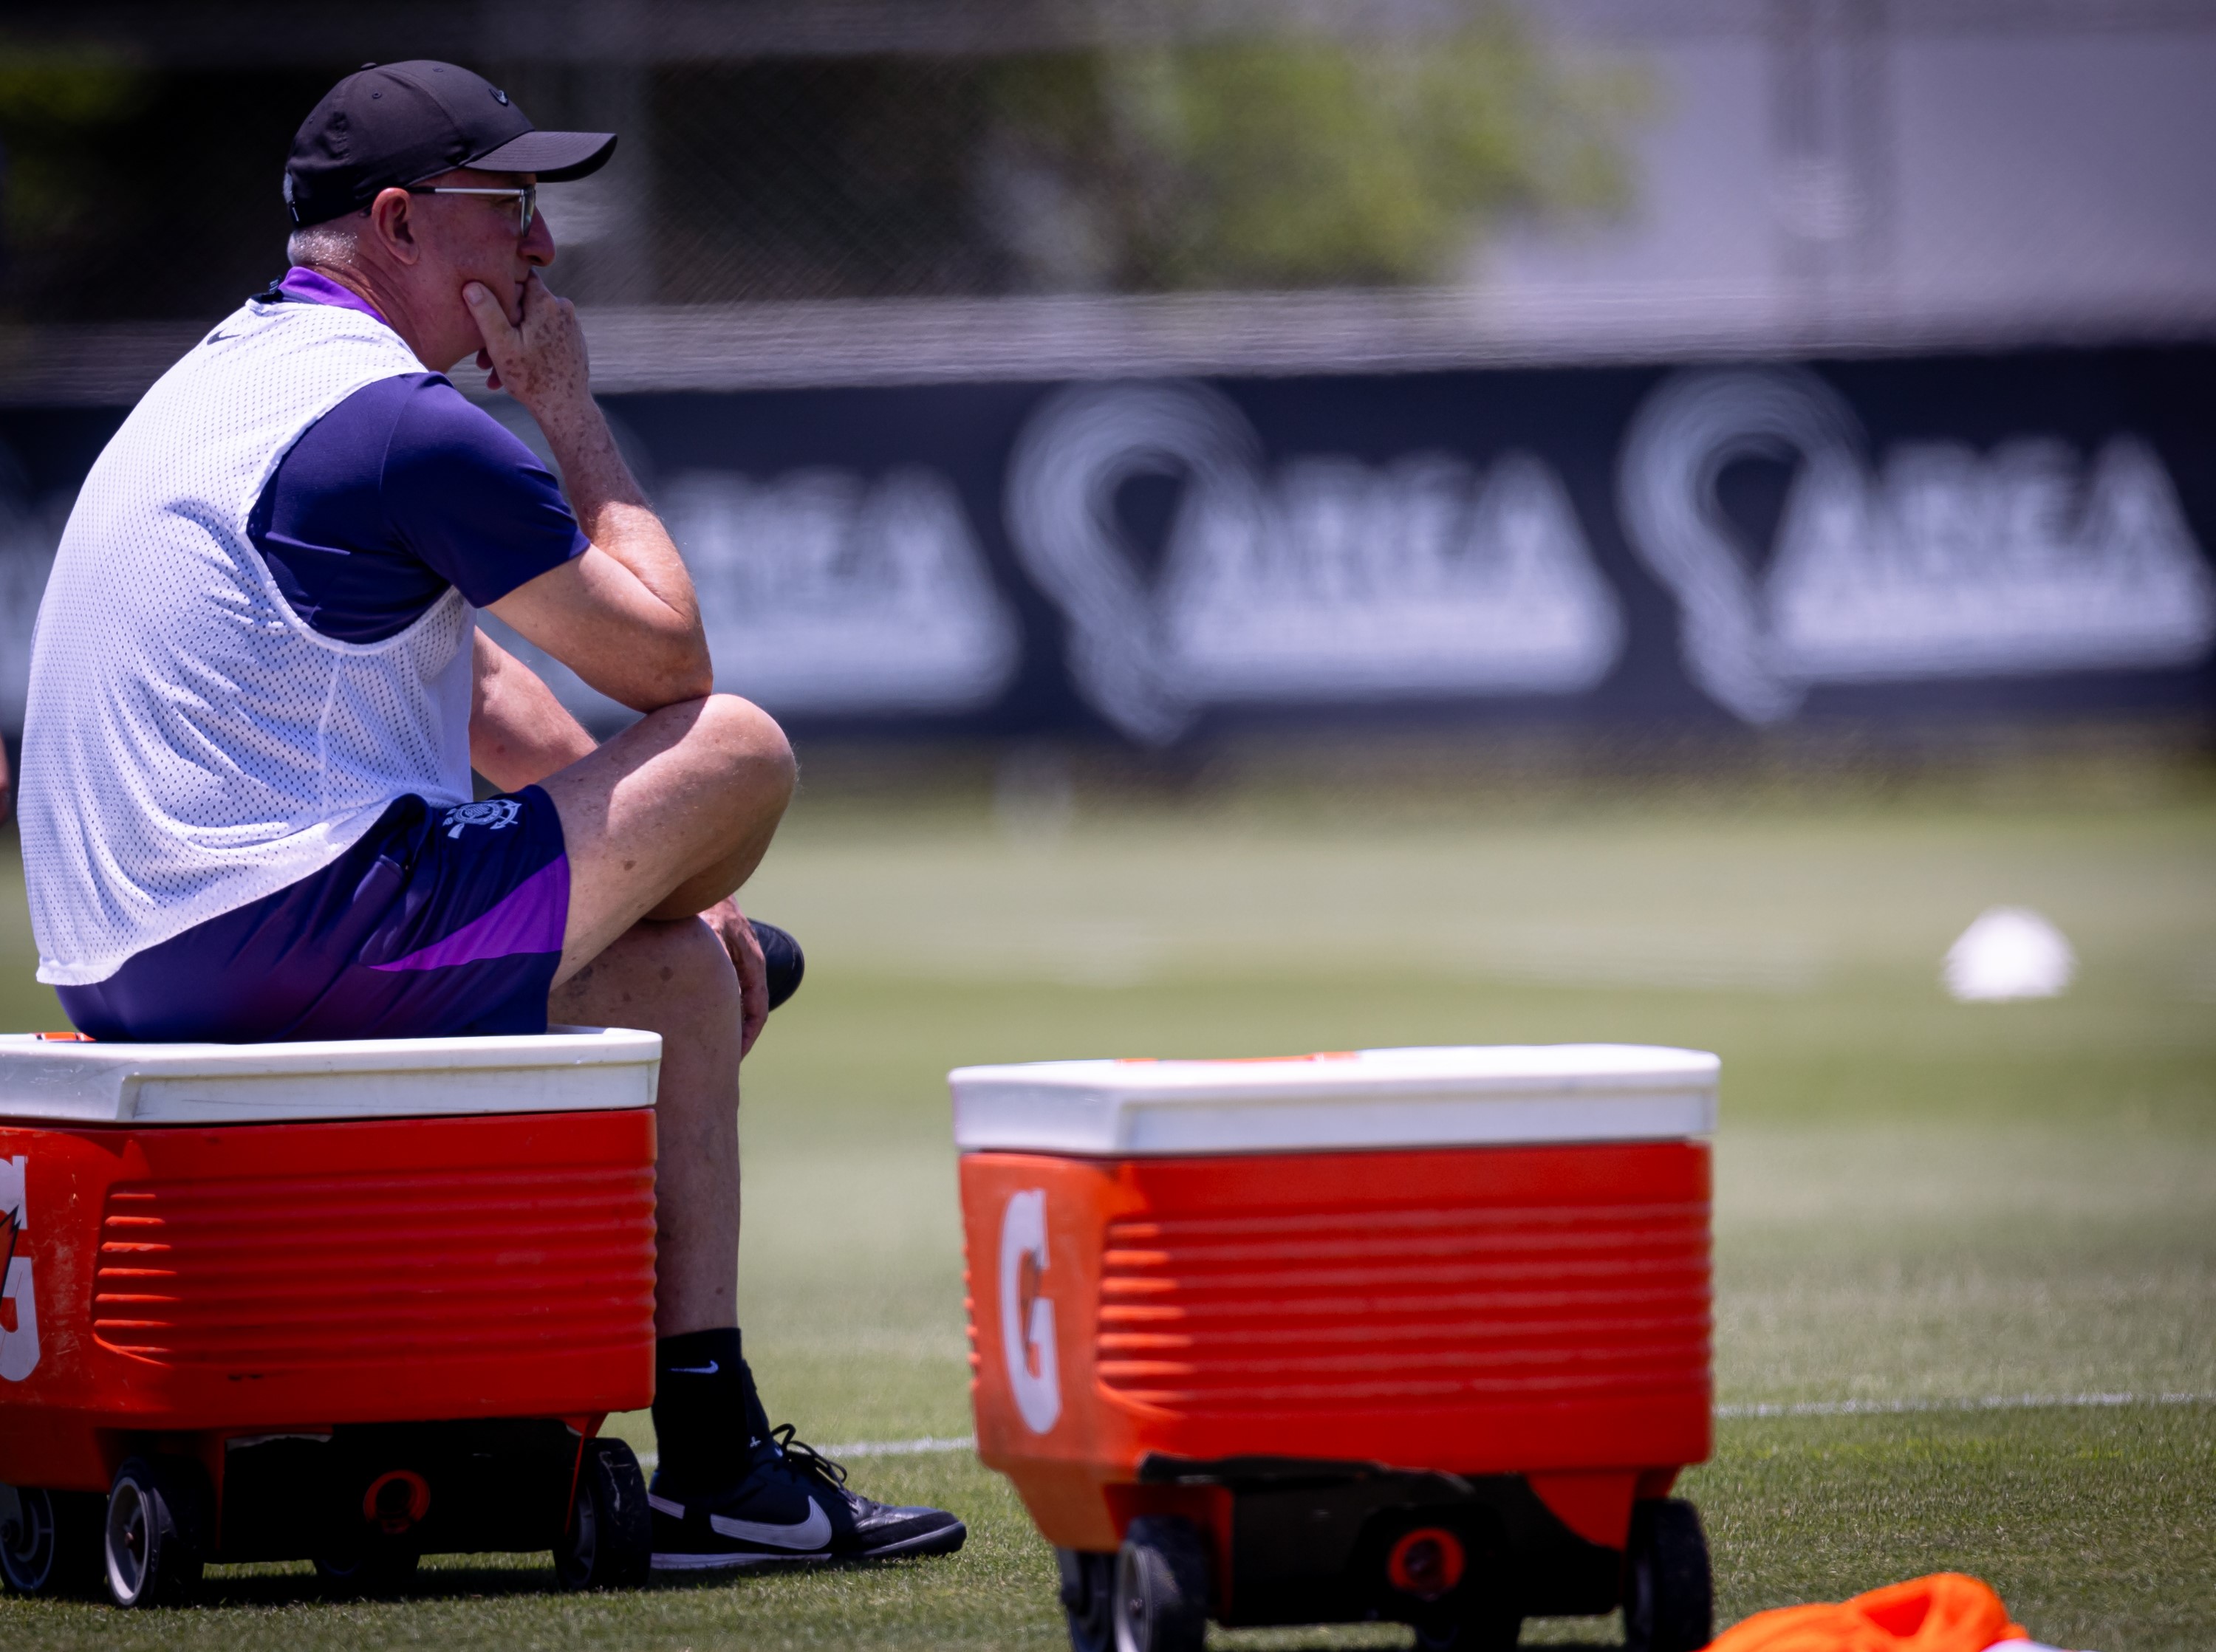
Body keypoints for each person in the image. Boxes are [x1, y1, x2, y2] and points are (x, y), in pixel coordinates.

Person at [15, 60, 962, 1573]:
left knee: (663, 980)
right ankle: (712, 1457)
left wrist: (643, 886)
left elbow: (474, 703)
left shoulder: (230, 377)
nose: (542, 248)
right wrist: (571, 417)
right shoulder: (405, 425)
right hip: (283, 930)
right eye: (507, 210)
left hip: (126, 951)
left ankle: (717, 1455)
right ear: (395, 222)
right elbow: (671, 662)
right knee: (738, 750)